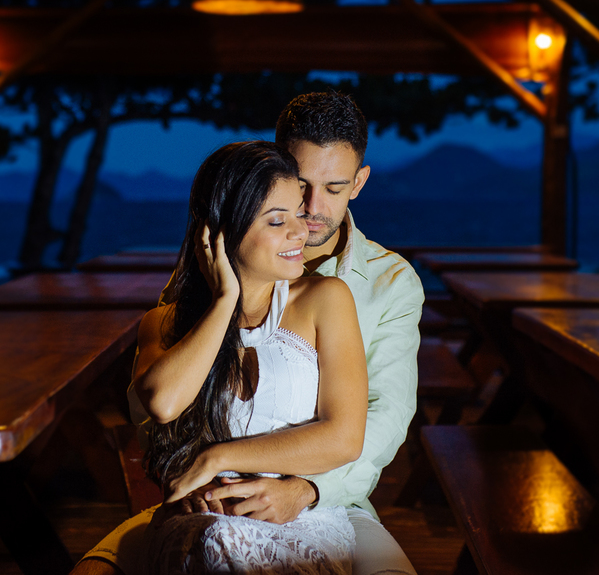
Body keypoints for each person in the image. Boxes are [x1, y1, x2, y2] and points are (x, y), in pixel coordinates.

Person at [78, 92, 422, 575]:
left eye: (335, 187)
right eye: (298, 187)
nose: (311, 211)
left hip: (331, 497)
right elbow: (156, 408)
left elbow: (383, 418)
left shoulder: (386, 283)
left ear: (359, 182)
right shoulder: (199, 282)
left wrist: (306, 488)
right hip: (204, 500)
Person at [136, 140, 368, 574]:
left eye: (298, 214)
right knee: (213, 542)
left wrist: (217, 458)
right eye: (278, 220)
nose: (301, 232)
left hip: (301, 519)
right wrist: (225, 299)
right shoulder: (163, 322)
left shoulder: (326, 300)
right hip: (202, 521)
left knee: (225, 547)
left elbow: (344, 437)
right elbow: (162, 402)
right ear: (220, 233)